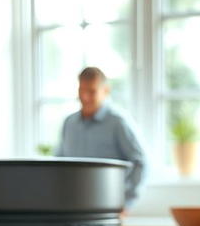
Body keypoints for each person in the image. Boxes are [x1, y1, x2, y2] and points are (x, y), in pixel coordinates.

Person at [55, 67, 146, 208]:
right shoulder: (69, 123)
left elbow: (140, 162)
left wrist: (127, 203)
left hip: (108, 206)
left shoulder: (118, 122)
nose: (85, 97)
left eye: (91, 91)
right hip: (71, 205)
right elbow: (59, 164)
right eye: (81, 90)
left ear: (106, 91)